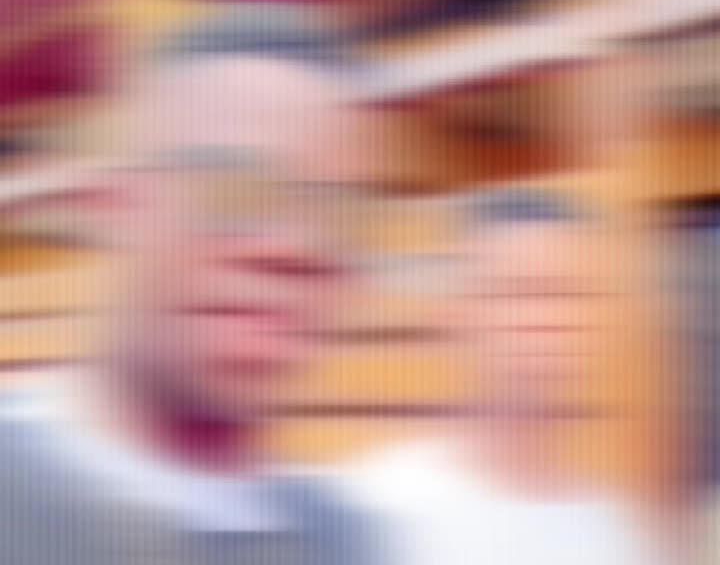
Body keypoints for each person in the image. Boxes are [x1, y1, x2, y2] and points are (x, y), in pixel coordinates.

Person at [0, 42, 393, 564]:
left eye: (339, 215)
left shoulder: (346, 540)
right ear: (114, 207)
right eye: (233, 188)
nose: (295, 245)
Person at [341, 186, 691, 564]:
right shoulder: (375, 510)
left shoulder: (618, 538)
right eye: (514, 292)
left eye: (569, 295)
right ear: (457, 315)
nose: (545, 319)